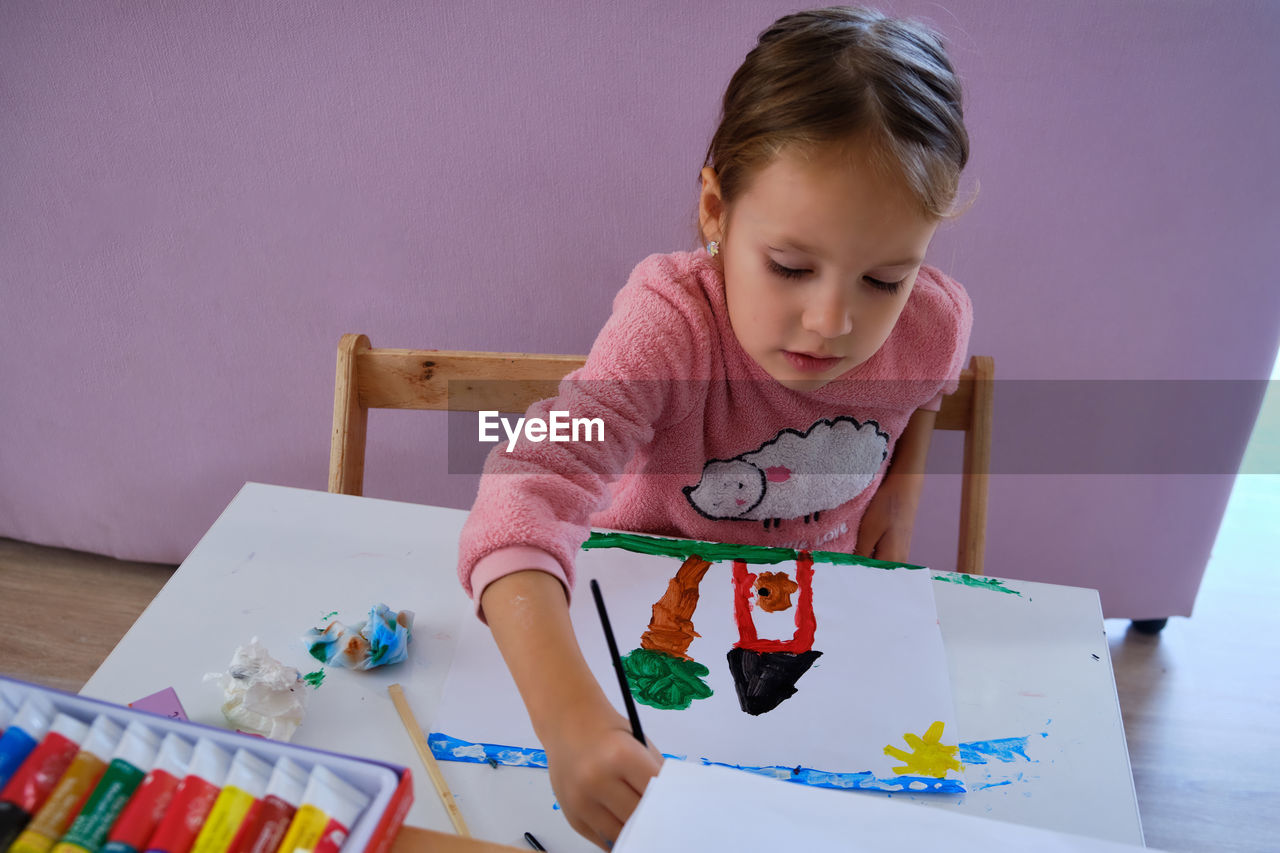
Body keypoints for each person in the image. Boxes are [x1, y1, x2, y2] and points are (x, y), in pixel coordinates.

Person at [457, 6, 972, 848]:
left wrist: (902, 492)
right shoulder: (670, 330)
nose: (832, 321)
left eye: (884, 278)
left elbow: (930, 390)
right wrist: (570, 722)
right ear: (715, 210)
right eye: (791, 267)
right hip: (641, 614)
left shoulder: (932, 322)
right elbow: (531, 482)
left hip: (805, 629)